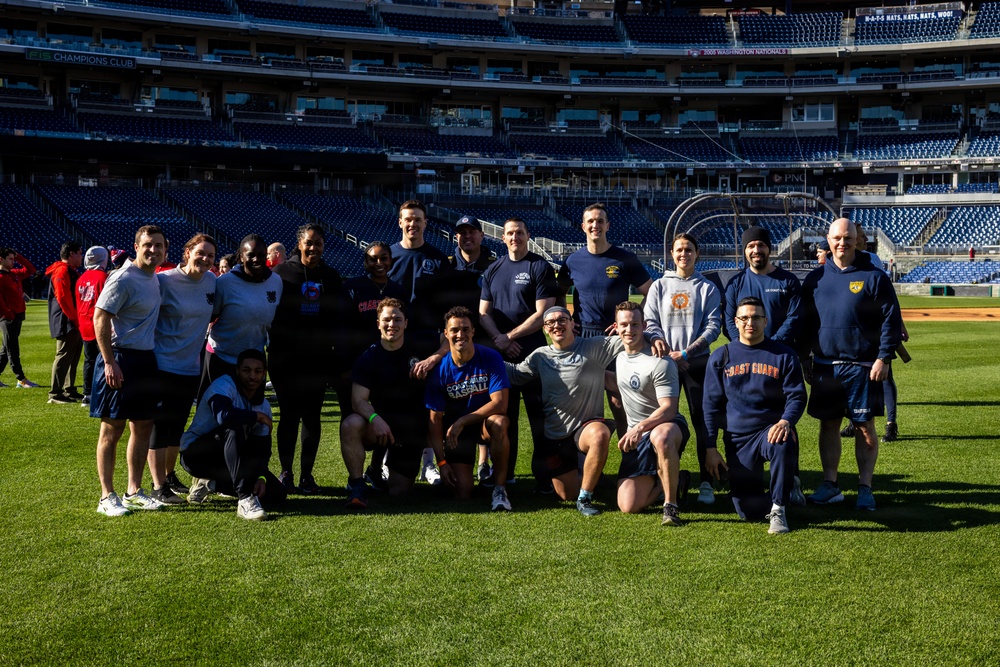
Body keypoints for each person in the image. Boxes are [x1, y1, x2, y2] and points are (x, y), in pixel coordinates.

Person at [506, 306, 662, 516]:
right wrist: (484, 357)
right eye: (550, 322)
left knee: (600, 434)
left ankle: (585, 497)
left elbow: (631, 335)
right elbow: (515, 375)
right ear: (545, 329)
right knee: (565, 495)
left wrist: (653, 338)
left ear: (572, 324)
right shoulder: (539, 357)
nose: (557, 325)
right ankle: (589, 474)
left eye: (562, 320)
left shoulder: (595, 346)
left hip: (586, 428)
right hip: (557, 436)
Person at [801, 218, 903, 511]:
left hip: (863, 367)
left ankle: (865, 487)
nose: (842, 243)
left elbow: (891, 320)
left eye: (848, 238)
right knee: (828, 425)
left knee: (865, 428)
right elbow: (806, 323)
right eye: (837, 238)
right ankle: (831, 485)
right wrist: (804, 357)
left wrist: (884, 357)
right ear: (828, 240)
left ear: (857, 240)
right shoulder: (815, 279)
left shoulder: (874, 276)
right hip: (825, 366)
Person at [703, 297, 808, 534]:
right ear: (735, 322)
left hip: (770, 430)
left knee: (781, 441)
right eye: (745, 318)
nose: (750, 322)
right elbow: (710, 405)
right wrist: (710, 447)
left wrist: (785, 421)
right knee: (747, 512)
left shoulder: (783, 354)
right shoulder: (721, 356)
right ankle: (788, 486)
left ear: (765, 320)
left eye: (756, 317)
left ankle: (778, 509)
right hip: (738, 438)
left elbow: (797, 396)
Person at [556, 203, 653, 440]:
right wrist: (568, 319)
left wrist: (630, 321)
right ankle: (585, 466)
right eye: (590, 221)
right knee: (582, 404)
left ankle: (629, 457)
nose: (595, 225)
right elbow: (558, 293)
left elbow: (651, 291)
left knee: (619, 402)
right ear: (583, 226)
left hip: (616, 339)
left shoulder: (625, 259)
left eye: (600, 221)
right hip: (583, 339)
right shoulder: (572, 261)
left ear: (608, 225)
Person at [92, 226, 167, 516]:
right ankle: (106, 496)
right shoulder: (123, 277)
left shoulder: (154, 279)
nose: (153, 250)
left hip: (145, 358)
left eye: (158, 246)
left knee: (143, 425)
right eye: (148, 245)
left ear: (165, 249)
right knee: (113, 429)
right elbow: (101, 317)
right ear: (136, 247)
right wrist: (109, 362)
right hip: (120, 358)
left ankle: (133, 490)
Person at [643, 233, 722, 505]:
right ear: (672, 253)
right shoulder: (659, 286)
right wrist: (661, 344)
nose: (683, 254)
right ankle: (658, 477)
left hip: (697, 362)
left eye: (689, 249)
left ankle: (706, 482)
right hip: (664, 362)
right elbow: (649, 322)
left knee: (703, 422)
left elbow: (714, 327)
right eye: (679, 250)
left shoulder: (707, 287)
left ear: (697, 254)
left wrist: (687, 352)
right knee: (660, 421)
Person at [479, 217, 559, 490]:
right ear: (503, 238)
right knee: (505, 418)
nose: (515, 237)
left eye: (520, 233)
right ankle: (506, 473)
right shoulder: (493, 270)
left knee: (540, 419)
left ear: (528, 235)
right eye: (510, 233)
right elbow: (482, 314)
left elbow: (543, 314)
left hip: (534, 355)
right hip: (501, 358)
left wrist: (509, 337)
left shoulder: (540, 266)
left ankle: (545, 478)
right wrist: (498, 340)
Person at [270, 224, 348, 494]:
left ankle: (307, 475)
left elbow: (339, 319)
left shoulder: (331, 276)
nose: (313, 248)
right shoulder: (280, 274)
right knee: (289, 416)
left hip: (319, 361)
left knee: (312, 417)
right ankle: (286, 473)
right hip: (285, 360)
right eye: (309, 243)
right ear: (299, 243)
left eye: (318, 243)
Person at [339, 298, 439, 508]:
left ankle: (378, 470)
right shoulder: (368, 358)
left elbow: (448, 338)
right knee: (351, 423)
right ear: (378, 323)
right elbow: (358, 401)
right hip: (380, 427)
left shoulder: (420, 343)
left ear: (406, 323)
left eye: (397, 319)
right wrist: (375, 419)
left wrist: (433, 359)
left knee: (398, 491)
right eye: (386, 320)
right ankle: (357, 484)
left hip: (411, 429)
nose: (392, 324)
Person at [179, 348, 287, 520]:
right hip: (196, 455)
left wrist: (260, 476)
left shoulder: (263, 405)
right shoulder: (223, 385)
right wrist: (256, 416)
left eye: (258, 371)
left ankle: (210, 483)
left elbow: (262, 448)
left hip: (233, 460)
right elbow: (225, 417)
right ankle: (245, 500)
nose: (252, 376)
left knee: (277, 493)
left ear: (264, 373)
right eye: (246, 370)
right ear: (237, 371)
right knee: (236, 426)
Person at [150, 234, 218, 503]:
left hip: (191, 367)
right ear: (187, 252)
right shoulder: (164, 280)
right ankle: (158, 486)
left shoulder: (212, 281)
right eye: (200, 252)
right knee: (160, 425)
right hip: (162, 364)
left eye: (211, 256)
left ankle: (168, 476)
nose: (205, 259)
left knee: (177, 426)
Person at [386, 199, 449, 483]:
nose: (413, 224)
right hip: (395, 340)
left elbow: (447, 307)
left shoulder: (437, 258)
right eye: (407, 219)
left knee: (429, 403)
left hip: (428, 339)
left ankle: (429, 463)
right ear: (400, 222)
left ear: (425, 223)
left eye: (418, 219)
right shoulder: (387, 257)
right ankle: (387, 461)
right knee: (393, 400)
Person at [425, 306, 512, 511]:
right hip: (457, 434)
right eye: (454, 330)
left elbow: (500, 403)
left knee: (499, 422)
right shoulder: (439, 370)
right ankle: (468, 474)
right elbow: (434, 420)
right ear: (446, 334)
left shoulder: (490, 357)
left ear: (473, 331)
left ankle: (500, 488)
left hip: (481, 423)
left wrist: (463, 420)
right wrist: (442, 463)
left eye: (465, 329)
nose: (460, 334)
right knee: (462, 493)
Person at [613, 301, 689, 526]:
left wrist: (639, 428)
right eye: (624, 325)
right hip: (638, 435)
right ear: (615, 327)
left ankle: (671, 505)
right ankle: (675, 478)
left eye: (635, 324)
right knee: (628, 506)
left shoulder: (660, 361)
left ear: (644, 326)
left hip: (665, 425)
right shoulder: (617, 354)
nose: (629, 330)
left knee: (661, 437)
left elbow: (668, 408)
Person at [342, 241, 408, 488]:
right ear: (365, 261)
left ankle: (375, 469)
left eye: (383, 258)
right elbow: (343, 327)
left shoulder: (398, 290)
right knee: (353, 420)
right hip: (357, 366)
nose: (378, 263)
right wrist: (344, 365)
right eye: (372, 259)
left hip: (386, 364)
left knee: (385, 414)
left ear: (391, 261)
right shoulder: (353, 287)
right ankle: (355, 477)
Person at [444, 216, 497, 483]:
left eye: (472, 232)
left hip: (485, 339)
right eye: (462, 232)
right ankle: (439, 459)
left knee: (483, 395)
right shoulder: (446, 264)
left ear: (481, 236)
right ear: (456, 237)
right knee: (453, 395)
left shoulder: (494, 264)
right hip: (453, 342)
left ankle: (484, 462)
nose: (467, 236)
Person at [205, 234, 283, 385]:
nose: (256, 259)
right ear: (241, 257)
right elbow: (210, 316)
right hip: (221, 357)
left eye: (261, 255)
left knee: (251, 408)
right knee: (216, 406)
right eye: (251, 255)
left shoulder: (276, 281)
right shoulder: (225, 283)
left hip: (253, 362)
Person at [723, 227, 802, 347]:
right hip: (746, 354)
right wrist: (743, 345)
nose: (756, 250)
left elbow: (795, 317)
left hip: (780, 353)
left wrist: (773, 344)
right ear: (744, 251)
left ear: (769, 249)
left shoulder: (788, 281)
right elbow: (729, 321)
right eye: (751, 246)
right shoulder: (735, 284)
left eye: (761, 245)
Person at [45, 241, 84, 404]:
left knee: (72, 356)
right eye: (80, 253)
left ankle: (69, 389)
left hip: (70, 318)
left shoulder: (68, 270)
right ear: (71, 254)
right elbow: (63, 297)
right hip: (65, 319)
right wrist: (74, 318)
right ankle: (55, 393)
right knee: (64, 355)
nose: (81, 256)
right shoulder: (62, 270)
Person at [74, 246, 110, 404]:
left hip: (84, 324)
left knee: (89, 360)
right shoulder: (103, 277)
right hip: (99, 324)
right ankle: (101, 392)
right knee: (105, 359)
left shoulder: (81, 278)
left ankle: (87, 393)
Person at [0, 247, 38, 389]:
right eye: (10, 259)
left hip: (18, 315)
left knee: (6, 348)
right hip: (8, 317)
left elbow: (31, 269)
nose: (13, 262)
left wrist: (18, 256)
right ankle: (21, 379)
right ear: (1, 259)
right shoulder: (1, 277)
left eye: (13, 259)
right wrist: (8, 314)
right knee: (12, 349)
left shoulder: (14, 274)